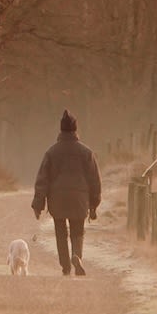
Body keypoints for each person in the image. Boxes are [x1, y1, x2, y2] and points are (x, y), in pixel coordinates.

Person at [32, 109, 101, 276]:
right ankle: (76, 255)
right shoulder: (86, 153)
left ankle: (65, 266)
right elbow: (94, 180)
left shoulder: (52, 152)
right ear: (75, 129)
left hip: (58, 199)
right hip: (79, 199)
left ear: (61, 129)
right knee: (77, 230)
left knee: (60, 232)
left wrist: (38, 204)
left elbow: (43, 180)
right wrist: (94, 205)